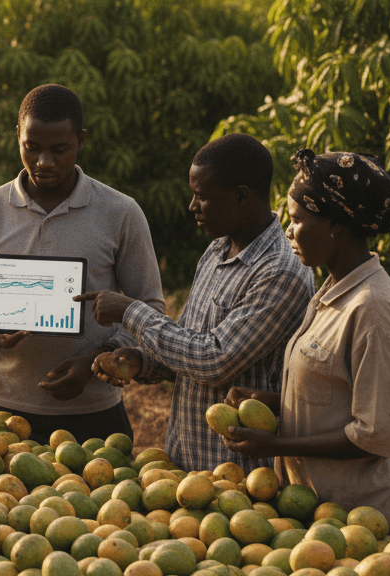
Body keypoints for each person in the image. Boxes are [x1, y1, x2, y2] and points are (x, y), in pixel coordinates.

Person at [83, 132, 316, 472]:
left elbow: (214, 359)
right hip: (188, 462)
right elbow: (189, 345)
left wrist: (130, 311)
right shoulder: (217, 250)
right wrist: (141, 362)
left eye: (202, 197)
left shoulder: (280, 272)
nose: (192, 207)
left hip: (239, 475)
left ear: (242, 196)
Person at [221, 148, 390, 536]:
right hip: (318, 513)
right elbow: (339, 394)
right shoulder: (331, 291)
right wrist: (274, 402)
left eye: (297, 220)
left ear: (335, 224)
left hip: (363, 523)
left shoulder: (372, 309)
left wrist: (275, 444)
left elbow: (377, 435)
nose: (288, 231)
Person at [0, 84, 166, 441]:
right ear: (18, 136)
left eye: (59, 150)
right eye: (32, 147)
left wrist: (97, 359)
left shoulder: (120, 212)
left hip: (95, 414)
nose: (44, 162)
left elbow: (149, 308)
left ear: (80, 140)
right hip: (6, 413)